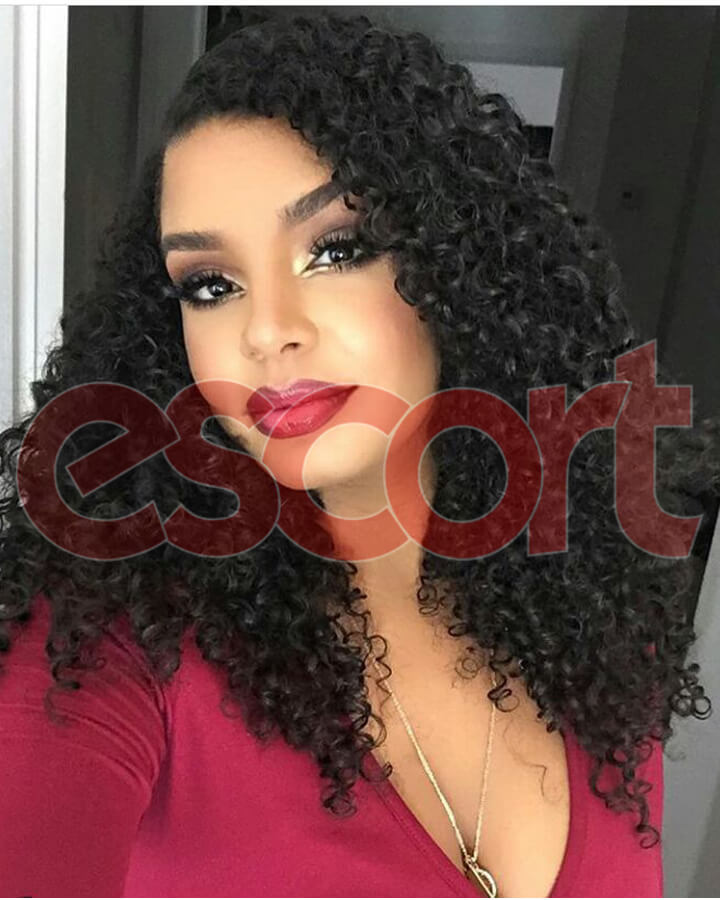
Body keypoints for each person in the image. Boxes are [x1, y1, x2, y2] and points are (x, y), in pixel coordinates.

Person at [0, 11, 718, 898]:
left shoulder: (592, 605)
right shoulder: (104, 637)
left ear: (456, 268)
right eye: (211, 285)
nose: (266, 331)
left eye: (334, 250)